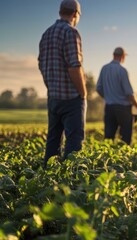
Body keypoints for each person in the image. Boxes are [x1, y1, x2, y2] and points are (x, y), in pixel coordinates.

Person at [38, 0, 86, 168]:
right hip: (71, 97)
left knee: (53, 140)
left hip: (53, 97)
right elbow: (74, 66)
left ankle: (48, 180)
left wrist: (50, 86)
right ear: (75, 14)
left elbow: (41, 65)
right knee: (74, 141)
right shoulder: (71, 32)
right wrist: (83, 92)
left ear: (60, 12)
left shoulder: (46, 33)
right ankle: (70, 181)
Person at [96, 47, 137, 145]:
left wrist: (108, 96)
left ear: (113, 55)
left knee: (108, 138)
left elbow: (99, 88)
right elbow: (129, 93)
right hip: (123, 108)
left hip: (109, 107)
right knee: (125, 139)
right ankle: (123, 159)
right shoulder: (122, 71)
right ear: (122, 56)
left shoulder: (104, 68)